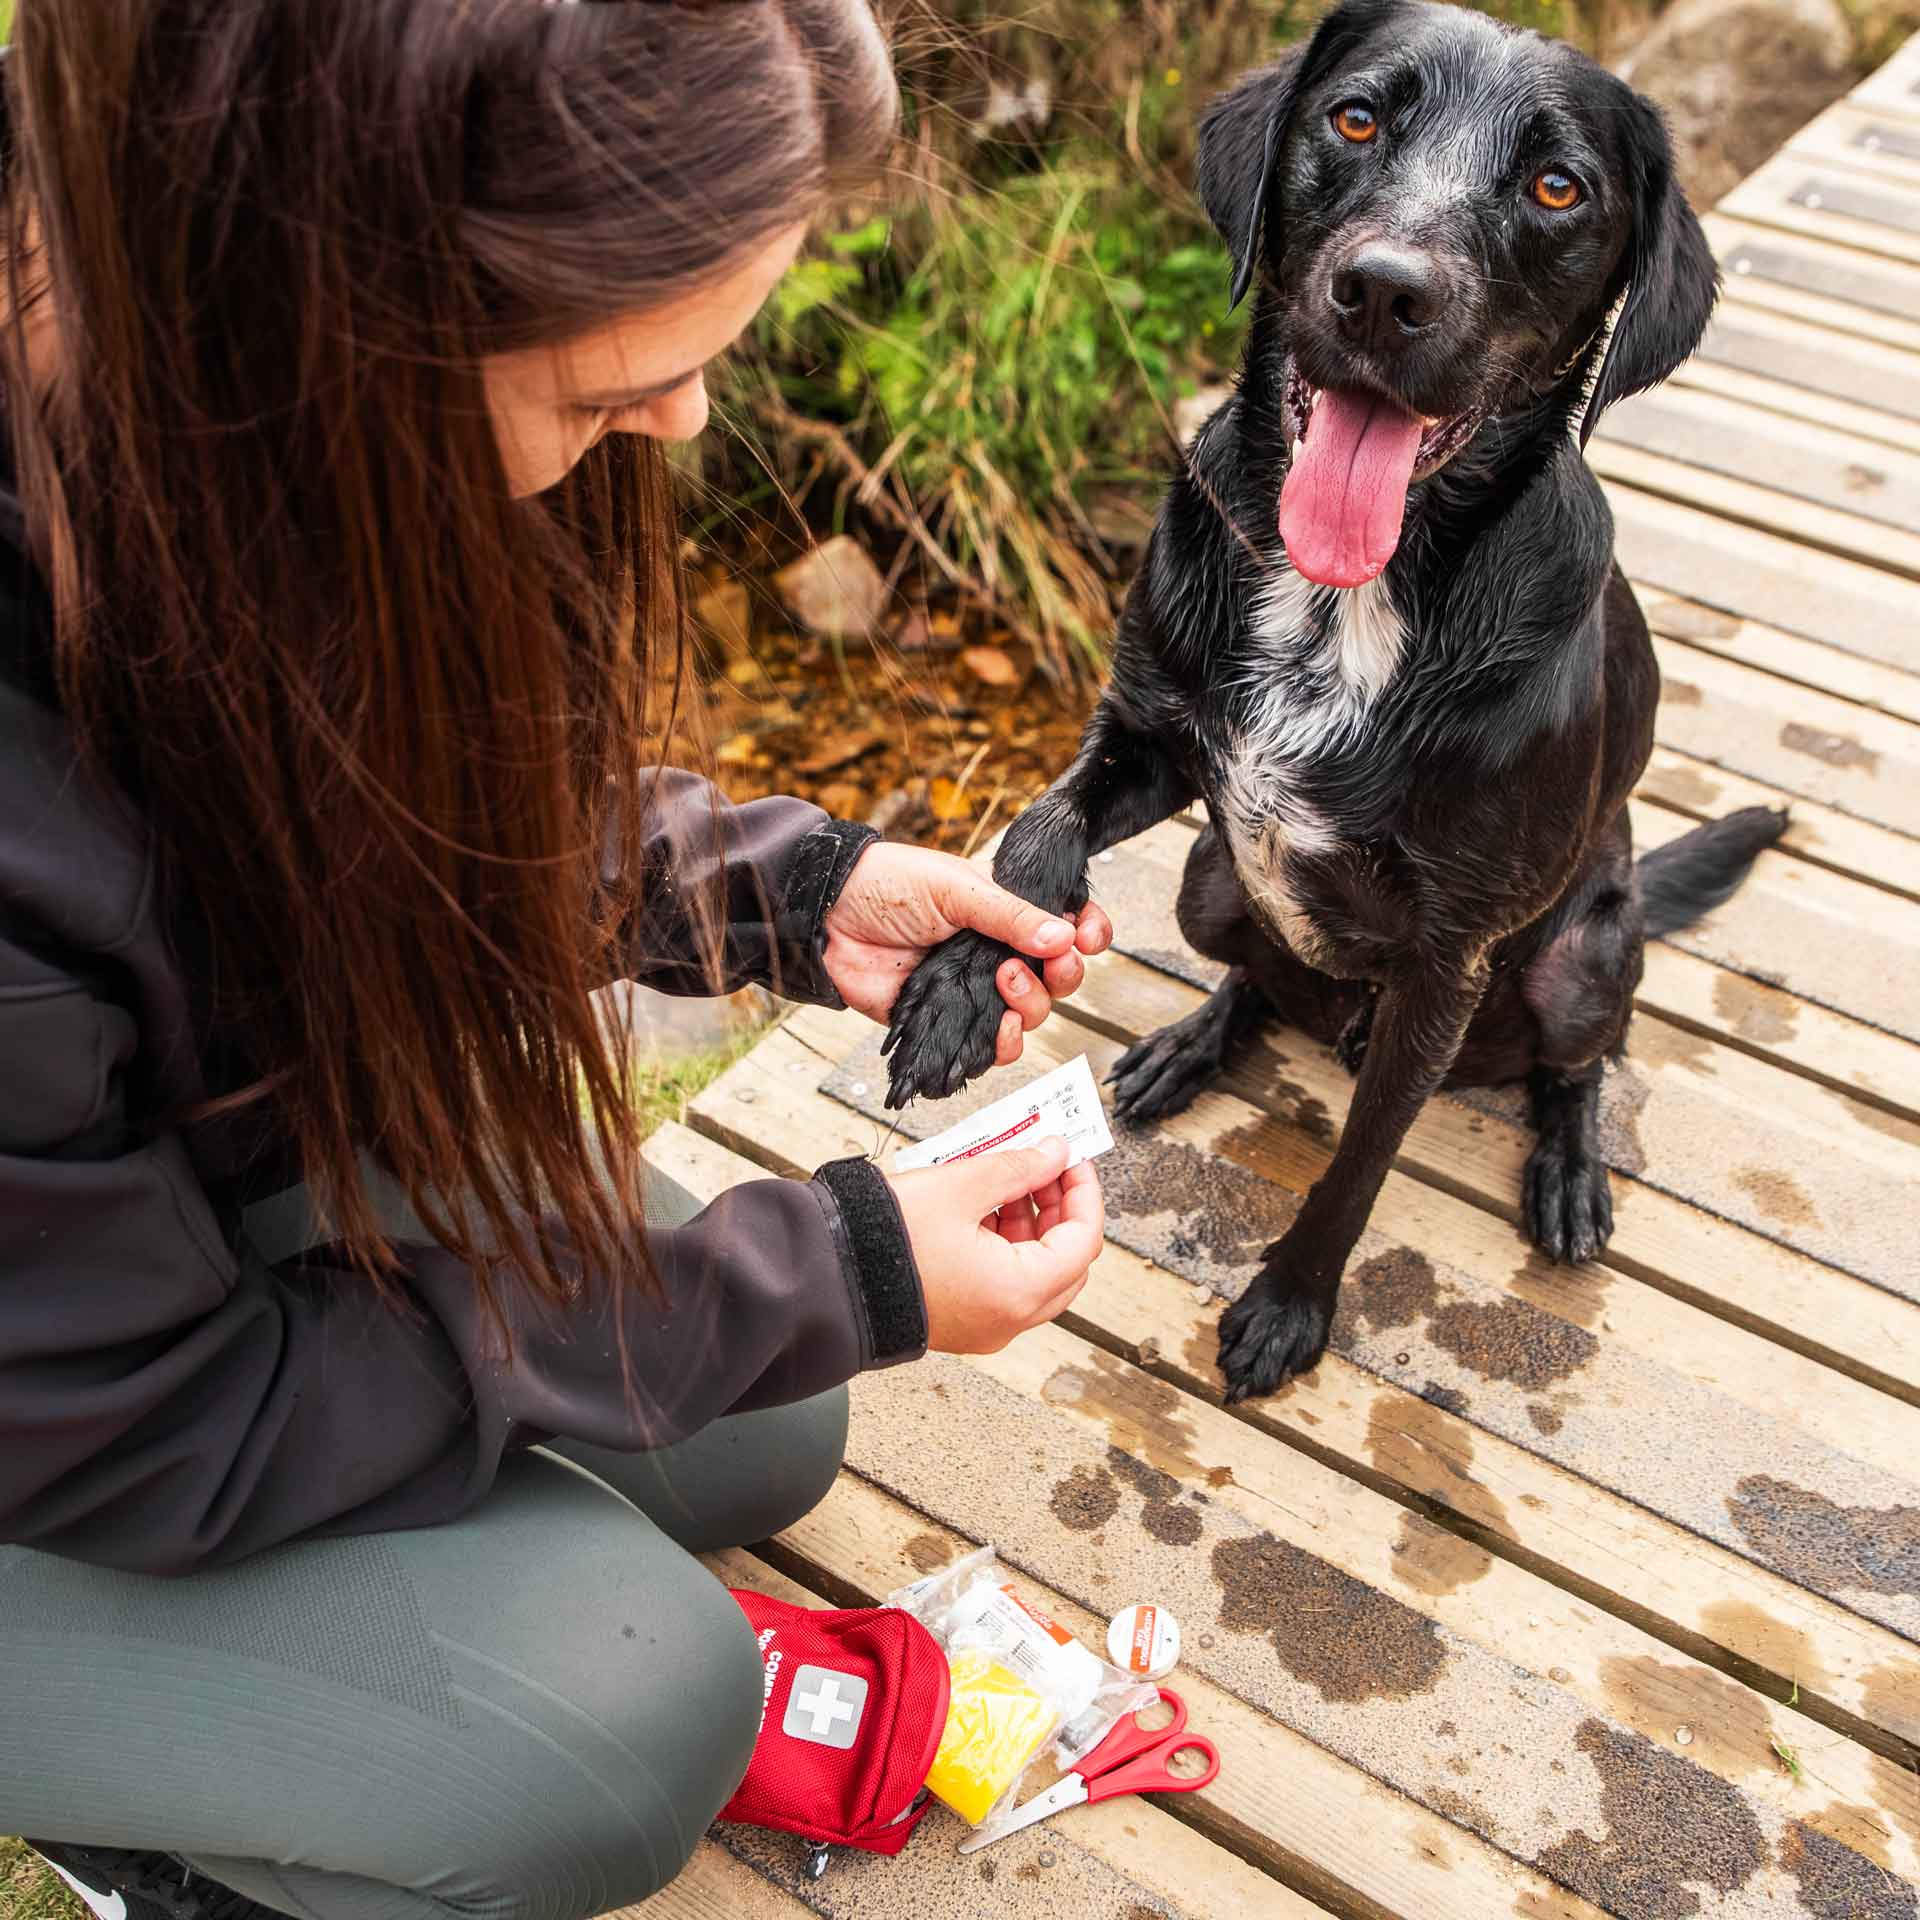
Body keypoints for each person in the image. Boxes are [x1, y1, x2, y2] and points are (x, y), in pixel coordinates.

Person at [0, 5, 1109, 1918]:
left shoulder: (176, 331)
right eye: (614, 397)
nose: (680, 422)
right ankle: (175, 1850)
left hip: (113, 1203)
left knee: (768, 1422)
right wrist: (832, 1262)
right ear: (323, 320)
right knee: (624, 1721)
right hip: (75, 1421)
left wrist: (779, 890)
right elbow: (165, 1427)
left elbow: (356, 771)